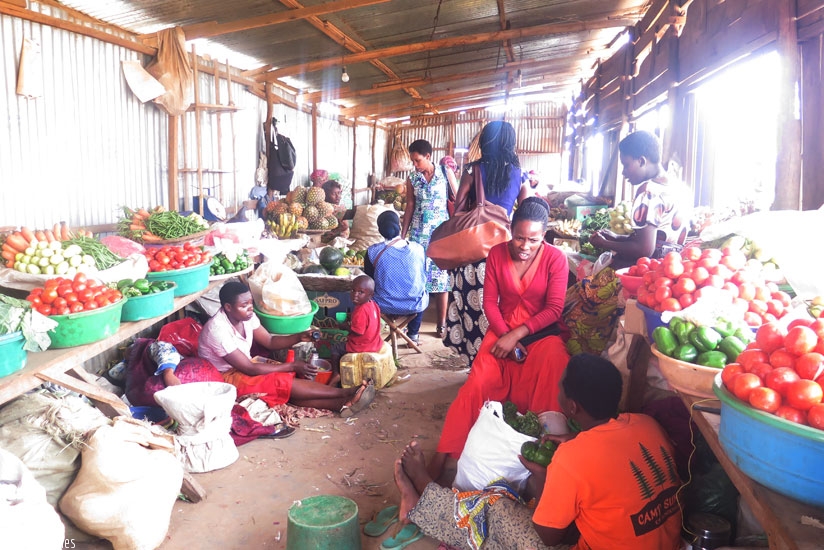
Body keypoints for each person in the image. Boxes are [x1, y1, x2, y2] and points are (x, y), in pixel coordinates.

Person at [392, 354, 683, 550]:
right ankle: (424, 496)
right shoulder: (647, 425)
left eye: (560, 387)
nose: (557, 391)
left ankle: (422, 495)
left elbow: (549, 537)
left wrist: (542, 475)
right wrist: (577, 440)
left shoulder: (573, 458)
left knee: (498, 510)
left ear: (571, 407)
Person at [430, 196, 570, 482]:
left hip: (540, 335)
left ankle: (540, 463)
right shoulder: (496, 253)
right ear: (511, 232)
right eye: (519, 238)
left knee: (554, 371)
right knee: (476, 386)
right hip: (500, 329)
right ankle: (443, 455)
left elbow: (554, 309)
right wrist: (505, 335)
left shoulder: (556, 259)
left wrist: (518, 335)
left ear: (544, 236)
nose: (525, 246)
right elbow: (490, 303)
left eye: (533, 240)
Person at [198, 281, 375, 418]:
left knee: (286, 381)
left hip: (245, 365)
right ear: (228, 307)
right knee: (281, 380)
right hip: (224, 379)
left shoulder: (246, 317)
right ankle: (346, 393)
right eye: (244, 305)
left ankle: (342, 404)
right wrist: (291, 366)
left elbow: (269, 340)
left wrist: (299, 337)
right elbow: (249, 369)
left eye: (251, 303)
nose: (250, 308)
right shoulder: (217, 329)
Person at [444, 121, 531, 365]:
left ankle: (477, 364)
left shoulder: (474, 170)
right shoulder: (519, 173)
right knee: (498, 308)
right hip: (505, 250)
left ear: (485, 142)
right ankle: (498, 364)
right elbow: (526, 211)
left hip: (474, 251)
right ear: (510, 143)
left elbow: (458, 209)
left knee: (473, 307)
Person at [589, 130, 692, 269]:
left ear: (642, 161)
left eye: (626, 165)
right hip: (673, 267)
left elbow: (644, 249)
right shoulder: (680, 187)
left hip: (649, 269)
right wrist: (615, 237)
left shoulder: (648, 191)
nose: (623, 172)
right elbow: (656, 239)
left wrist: (604, 243)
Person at [401, 139, 453, 338]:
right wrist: (402, 235)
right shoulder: (412, 179)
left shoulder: (445, 173)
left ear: (428, 157)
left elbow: (456, 199)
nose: (415, 165)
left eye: (417, 160)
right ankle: (413, 327)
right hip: (418, 234)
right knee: (417, 281)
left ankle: (441, 324)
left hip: (441, 234)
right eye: (413, 161)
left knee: (441, 281)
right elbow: (410, 206)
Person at [364, 211, 429, 344]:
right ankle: (413, 335)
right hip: (413, 305)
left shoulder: (372, 251)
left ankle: (374, 335)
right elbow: (423, 274)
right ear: (399, 226)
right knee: (421, 291)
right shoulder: (418, 249)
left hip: (383, 305)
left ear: (380, 230)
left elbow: (369, 282)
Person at [329, 275, 384, 383]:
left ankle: (336, 374)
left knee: (335, 348)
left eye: (360, 292)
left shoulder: (361, 310)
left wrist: (344, 326)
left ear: (370, 294)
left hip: (361, 345)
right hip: (374, 342)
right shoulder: (373, 305)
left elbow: (358, 332)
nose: (355, 295)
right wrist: (352, 316)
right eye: (353, 290)